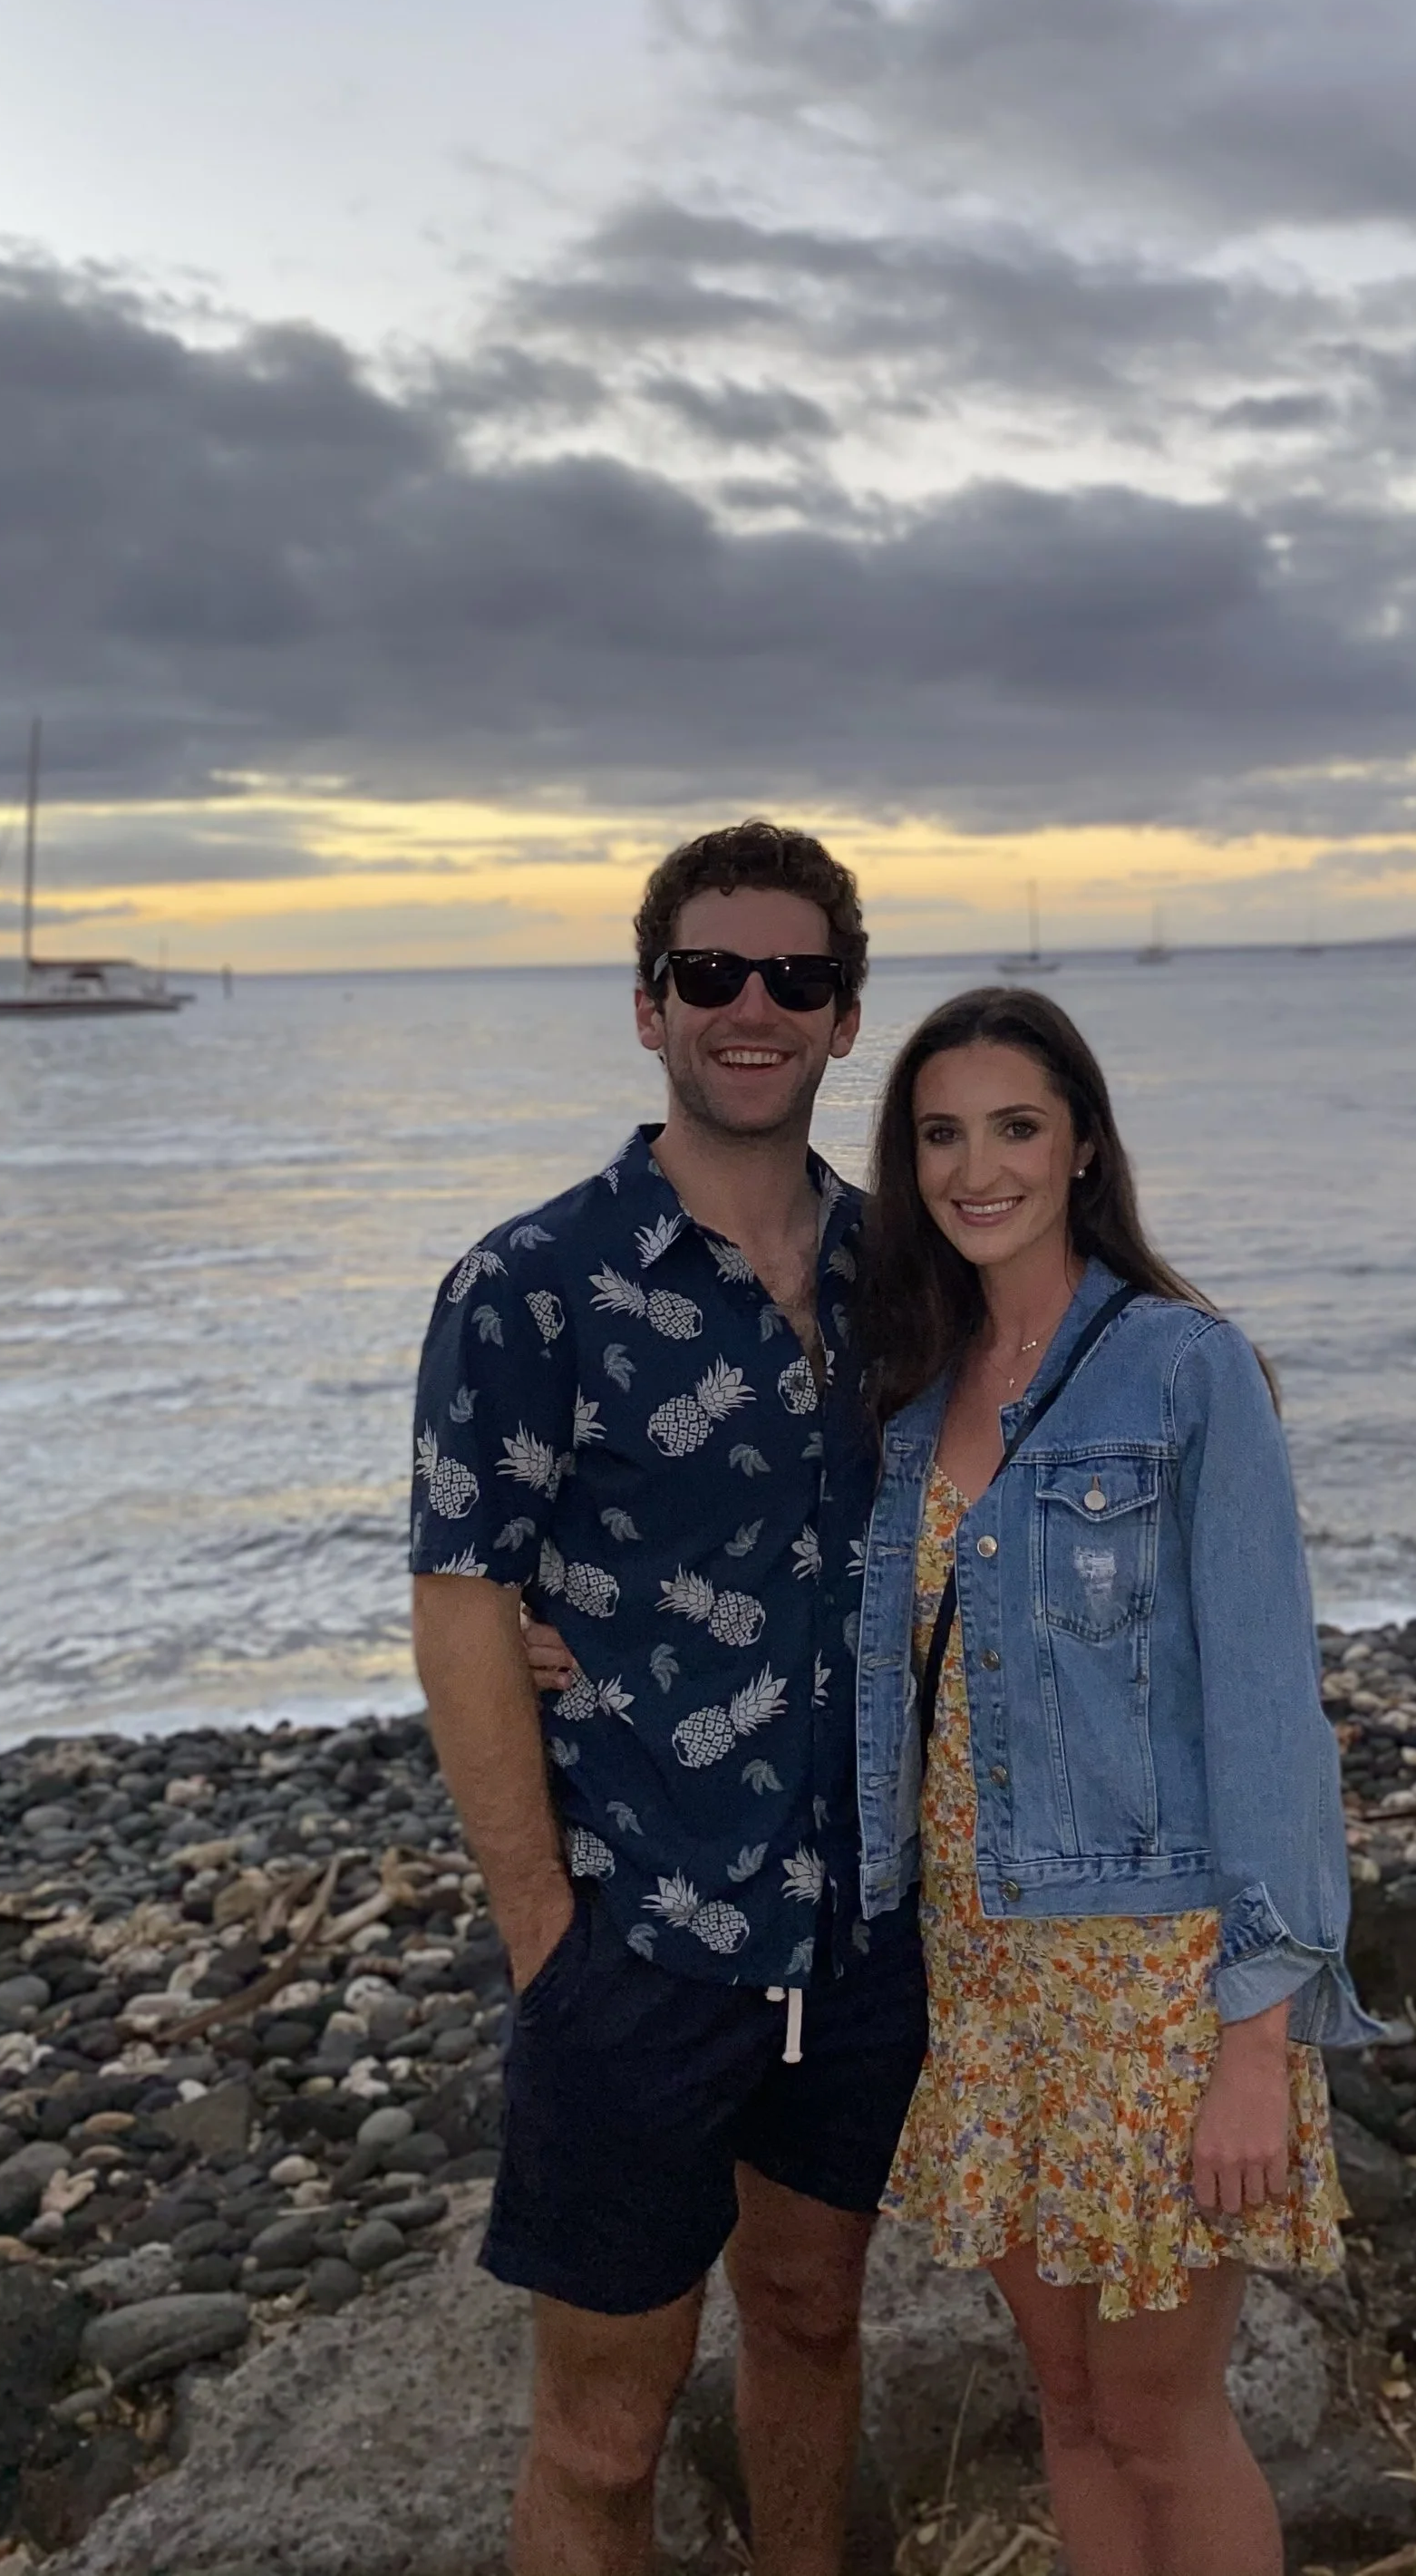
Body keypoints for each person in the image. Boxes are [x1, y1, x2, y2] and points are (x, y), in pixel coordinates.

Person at [409, 820, 926, 2576]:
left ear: (845, 1012)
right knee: (604, 2432)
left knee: (813, 2318)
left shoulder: (905, 1277)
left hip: (860, 1928)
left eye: (795, 976)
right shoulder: (529, 1285)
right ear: (650, 1007)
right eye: (711, 973)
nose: (751, 1006)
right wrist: (543, 1935)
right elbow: (461, 1600)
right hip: (634, 1932)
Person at [849, 986, 1379, 2576]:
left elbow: (1272, 1710)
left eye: (1016, 1127)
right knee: (1070, 2408)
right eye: (942, 1135)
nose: (978, 1169)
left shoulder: (1185, 1371)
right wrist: (560, 1637)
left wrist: (1257, 2038)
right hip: (982, 1978)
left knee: (1160, 2417)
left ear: (1083, 1145)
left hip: (1155, 1985)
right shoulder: (905, 1392)